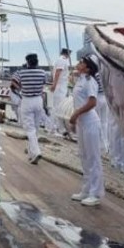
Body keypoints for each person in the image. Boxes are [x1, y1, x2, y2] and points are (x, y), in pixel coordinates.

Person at [68, 55, 104, 207]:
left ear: (88, 68)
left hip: (90, 122)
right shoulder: (81, 79)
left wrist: (75, 114)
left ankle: (95, 194)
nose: (79, 62)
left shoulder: (90, 81)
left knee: (93, 157)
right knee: (83, 156)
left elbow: (92, 102)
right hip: (82, 123)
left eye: (82, 62)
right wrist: (76, 119)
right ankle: (87, 189)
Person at [16, 53, 47, 164]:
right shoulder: (42, 72)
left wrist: (20, 90)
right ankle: (31, 153)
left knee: (29, 129)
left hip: (27, 100)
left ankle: (36, 152)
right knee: (36, 128)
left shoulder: (21, 72)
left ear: (27, 62)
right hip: (38, 100)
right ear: (37, 61)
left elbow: (13, 85)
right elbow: (43, 84)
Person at [50, 48, 71, 137]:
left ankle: (59, 128)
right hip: (60, 87)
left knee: (58, 107)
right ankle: (54, 128)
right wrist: (54, 85)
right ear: (67, 53)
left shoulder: (61, 60)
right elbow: (58, 73)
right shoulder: (62, 60)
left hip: (62, 87)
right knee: (57, 108)